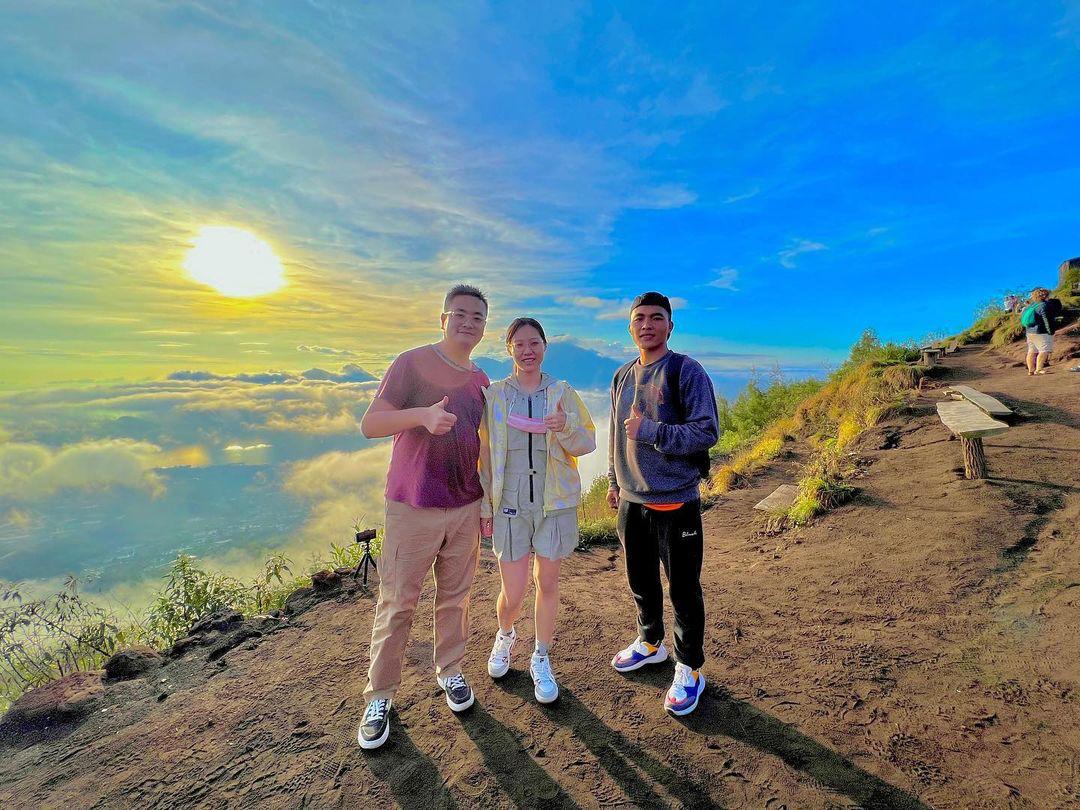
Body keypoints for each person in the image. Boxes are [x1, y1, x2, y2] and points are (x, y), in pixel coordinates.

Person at [357, 284, 490, 751]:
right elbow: (371, 424)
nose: (468, 322)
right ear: (443, 318)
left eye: (477, 317)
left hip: (466, 504)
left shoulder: (480, 379)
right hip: (412, 506)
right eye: (460, 314)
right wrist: (421, 416)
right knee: (398, 603)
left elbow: (484, 444)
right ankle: (380, 696)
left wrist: (488, 501)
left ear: (484, 326)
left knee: (456, 598)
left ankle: (450, 670)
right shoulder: (411, 362)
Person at [606, 291, 719, 717]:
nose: (647, 325)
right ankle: (650, 642)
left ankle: (689, 667)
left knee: (683, 589)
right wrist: (615, 482)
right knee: (641, 581)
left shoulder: (685, 371)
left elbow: (706, 431)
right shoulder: (621, 376)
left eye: (656, 318)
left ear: (670, 326)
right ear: (630, 327)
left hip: (675, 501)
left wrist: (651, 431)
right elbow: (616, 435)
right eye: (640, 318)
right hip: (631, 501)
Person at [479, 318, 596, 704]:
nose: (527, 351)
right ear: (509, 349)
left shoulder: (562, 392)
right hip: (510, 505)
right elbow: (484, 454)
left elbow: (586, 443)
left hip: (554, 504)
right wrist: (484, 505)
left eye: (534, 343)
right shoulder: (496, 396)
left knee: (547, 583)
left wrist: (564, 426)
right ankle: (505, 635)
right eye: (519, 344)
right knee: (513, 592)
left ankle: (541, 656)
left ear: (545, 346)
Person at [1020, 288, 1055, 375]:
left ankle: (1031, 370)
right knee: (1044, 350)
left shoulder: (1031, 306)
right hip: (1041, 332)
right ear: (1045, 296)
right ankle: (1039, 369)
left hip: (1029, 332)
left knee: (1031, 351)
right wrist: (1050, 331)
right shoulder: (1044, 305)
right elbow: (1046, 319)